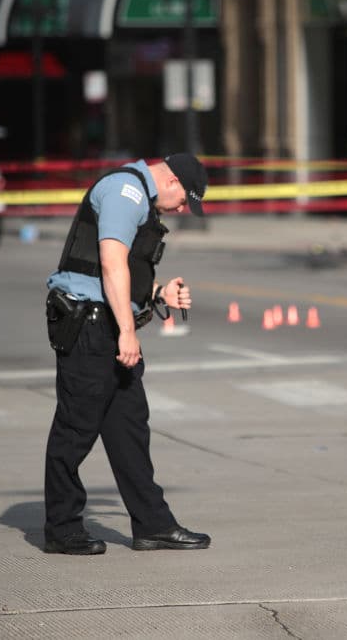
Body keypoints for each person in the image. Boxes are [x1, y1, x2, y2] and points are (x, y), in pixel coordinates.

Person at [42, 153, 211, 555]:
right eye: (184, 200)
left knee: (129, 429)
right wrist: (128, 332)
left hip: (107, 322)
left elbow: (124, 273)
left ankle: (153, 525)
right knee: (75, 429)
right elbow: (111, 263)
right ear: (171, 181)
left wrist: (158, 293)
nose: (181, 209)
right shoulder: (125, 192)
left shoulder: (138, 196)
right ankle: (62, 528)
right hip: (91, 327)